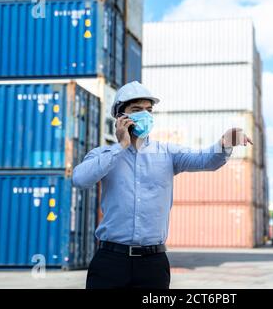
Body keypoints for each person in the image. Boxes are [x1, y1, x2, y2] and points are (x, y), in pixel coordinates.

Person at [72, 81, 253, 289]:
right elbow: (79, 179)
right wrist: (120, 147)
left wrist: (224, 143)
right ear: (120, 117)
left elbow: (206, 160)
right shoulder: (103, 155)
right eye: (137, 110)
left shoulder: (168, 154)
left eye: (149, 110)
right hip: (111, 261)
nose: (145, 115)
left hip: (153, 265)